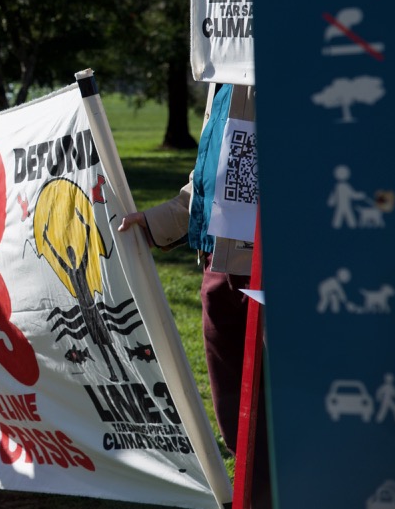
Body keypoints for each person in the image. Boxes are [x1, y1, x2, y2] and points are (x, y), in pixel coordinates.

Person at [117, 83, 270, 507]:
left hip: (268, 273)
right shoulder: (222, 76)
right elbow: (209, 174)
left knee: (277, 417)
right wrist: (156, 222)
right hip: (218, 269)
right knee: (235, 417)